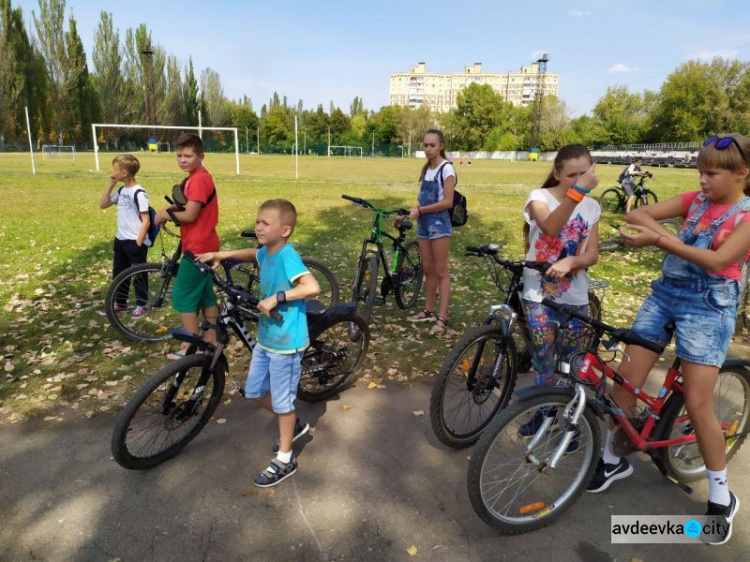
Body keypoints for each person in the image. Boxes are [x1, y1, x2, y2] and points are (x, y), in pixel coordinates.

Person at [588, 134, 750, 546]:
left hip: (708, 307)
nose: (702, 180)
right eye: (700, 171)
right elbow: (637, 214)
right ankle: (613, 459)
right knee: (624, 383)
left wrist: (660, 239)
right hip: (666, 294)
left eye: (712, 173)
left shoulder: (746, 215)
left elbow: (718, 261)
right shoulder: (693, 201)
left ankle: (720, 495)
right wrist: (657, 232)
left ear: (741, 174)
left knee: (698, 404)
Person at [198, 199, 320, 487]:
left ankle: (286, 458)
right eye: (257, 221)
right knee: (254, 392)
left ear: (285, 230)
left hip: (286, 342)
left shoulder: (288, 256)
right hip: (267, 338)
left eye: (265, 223)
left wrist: (277, 297)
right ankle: (295, 423)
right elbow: (254, 254)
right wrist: (223, 254)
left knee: (282, 401)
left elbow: (312, 287)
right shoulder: (267, 252)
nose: (258, 226)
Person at [520, 144, 601, 396]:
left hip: (575, 298)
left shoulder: (592, 207)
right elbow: (551, 227)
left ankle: (569, 424)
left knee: (570, 365)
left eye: (583, 174)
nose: (577, 181)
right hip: (539, 297)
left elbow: (592, 254)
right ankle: (542, 414)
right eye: (571, 175)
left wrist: (572, 262)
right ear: (557, 174)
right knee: (544, 361)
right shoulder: (539, 197)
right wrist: (577, 192)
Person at [154, 133, 220, 360]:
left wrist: (164, 213)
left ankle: (193, 346)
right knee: (205, 296)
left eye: (188, 155)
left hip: (199, 247)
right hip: (204, 242)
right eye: (179, 155)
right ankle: (211, 338)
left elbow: (190, 215)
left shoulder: (200, 179)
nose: (182, 160)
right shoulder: (195, 177)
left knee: (182, 296)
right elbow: (188, 208)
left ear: (201, 156)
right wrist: (171, 212)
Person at [403, 129, 456, 336]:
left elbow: (447, 202)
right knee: (427, 269)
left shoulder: (447, 169)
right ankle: (428, 310)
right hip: (424, 224)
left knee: (441, 271)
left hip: (439, 224)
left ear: (441, 145)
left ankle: (441, 318)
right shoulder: (427, 170)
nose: (428, 149)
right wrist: (409, 214)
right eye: (425, 145)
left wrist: (421, 211)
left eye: (432, 145)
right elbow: (422, 199)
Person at [98, 154, 151, 318]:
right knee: (119, 273)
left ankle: (143, 304)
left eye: (116, 170)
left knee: (139, 275)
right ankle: (120, 303)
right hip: (120, 240)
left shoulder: (139, 193)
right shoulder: (121, 190)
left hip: (135, 241)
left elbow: (146, 221)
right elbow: (103, 204)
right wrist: (110, 185)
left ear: (125, 173)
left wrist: (138, 243)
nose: (113, 172)